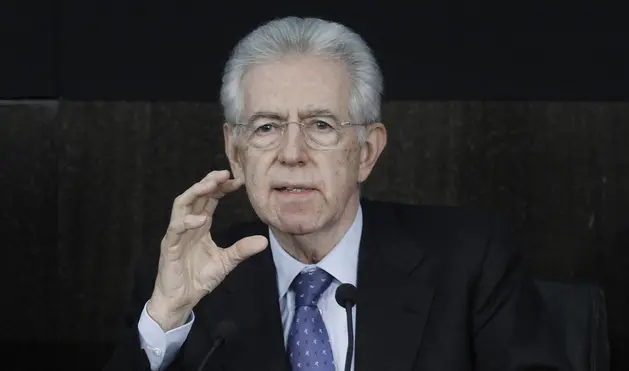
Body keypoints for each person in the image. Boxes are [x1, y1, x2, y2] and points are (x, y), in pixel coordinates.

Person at [104, 17, 571, 371]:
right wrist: (164, 317)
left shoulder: (471, 260)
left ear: (366, 151)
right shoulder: (183, 283)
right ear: (236, 151)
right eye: (266, 127)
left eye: (321, 126)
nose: (292, 153)